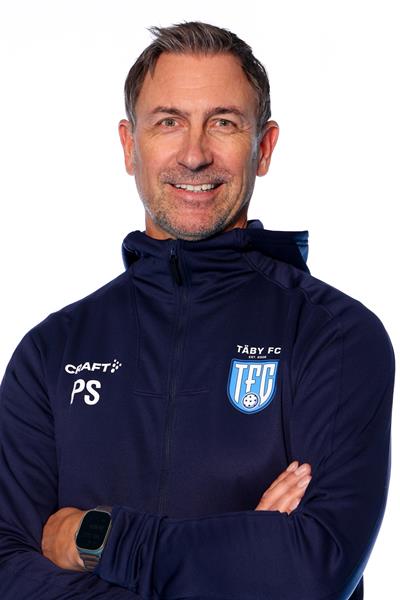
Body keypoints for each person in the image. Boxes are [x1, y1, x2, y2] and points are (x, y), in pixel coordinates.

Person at [0, 21, 394, 600]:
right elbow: (7, 570)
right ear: (129, 145)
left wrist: (99, 540)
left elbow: (313, 573)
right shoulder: (51, 352)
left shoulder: (333, 336)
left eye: (223, 123)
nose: (194, 154)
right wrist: (243, 566)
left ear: (264, 147)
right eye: (168, 122)